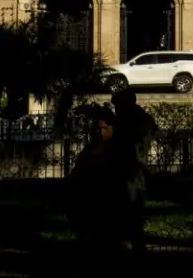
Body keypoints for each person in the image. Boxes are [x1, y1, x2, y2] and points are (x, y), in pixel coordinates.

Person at [66, 107, 131, 270]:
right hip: (91, 206)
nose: (99, 132)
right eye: (97, 128)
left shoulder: (119, 151)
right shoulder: (89, 151)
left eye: (103, 128)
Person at [110, 90, 157, 260]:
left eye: (117, 105)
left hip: (130, 171)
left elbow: (126, 141)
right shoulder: (138, 118)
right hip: (131, 170)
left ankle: (131, 245)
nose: (116, 109)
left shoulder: (132, 120)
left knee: (129, 208)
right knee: (131, 209)